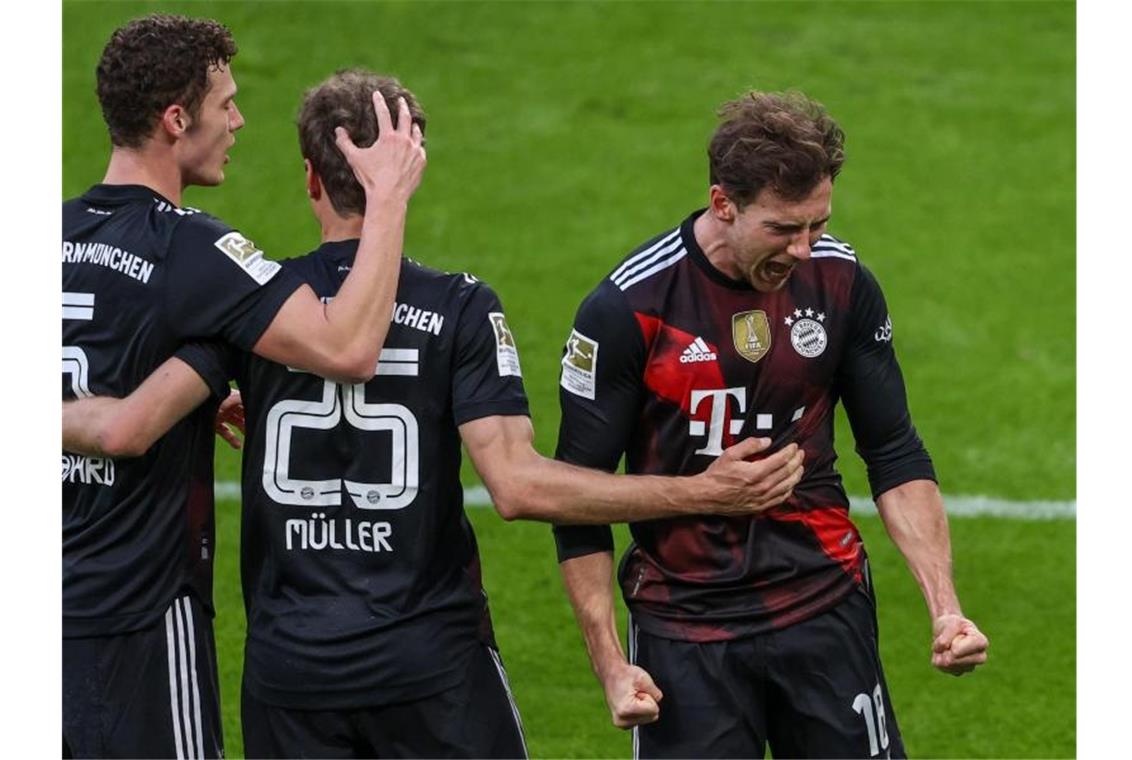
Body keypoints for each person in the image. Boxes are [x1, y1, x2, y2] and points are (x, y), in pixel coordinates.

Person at [63, 70, 805, 758]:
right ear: (407, 176)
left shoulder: (253, 306)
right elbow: (518, 488)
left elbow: (129, 423)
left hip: (292, 674)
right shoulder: (460, 308)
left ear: (311, 179)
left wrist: (229, 395)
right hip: (432, 666)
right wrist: (705, 491)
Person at [552, 90, 990, 759]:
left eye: (817, 223)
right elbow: (574, 498)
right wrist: (610, 664)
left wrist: (945, 605)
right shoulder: (630, 309)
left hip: (823, 604)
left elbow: (895, 453)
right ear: (723, 203)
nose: (807, 248)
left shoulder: (841, 283)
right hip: (684, 625)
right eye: (785, 229)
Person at [61, 14, 425, 758]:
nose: (238, 120)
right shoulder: (195, 250)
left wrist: (190, 384)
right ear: (175, 120)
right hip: (138, 619)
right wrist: (385, 197)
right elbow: (351, 347)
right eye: (224, 102)